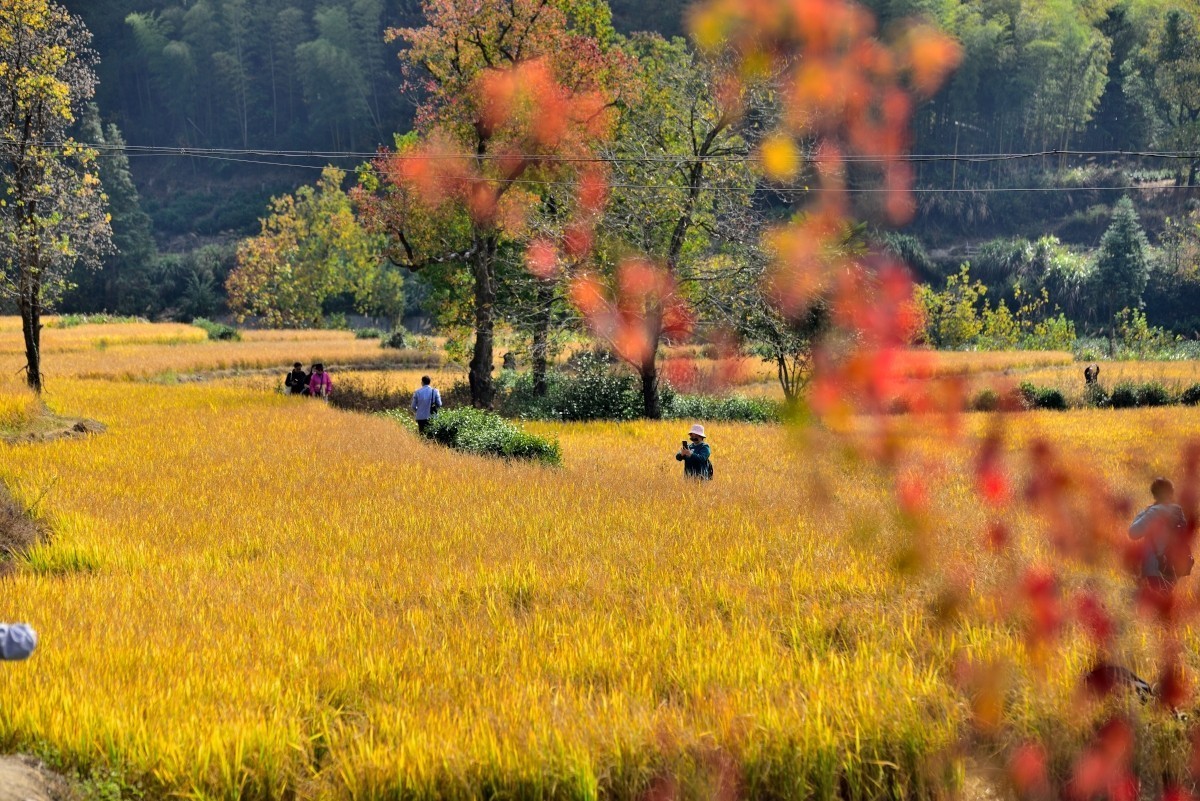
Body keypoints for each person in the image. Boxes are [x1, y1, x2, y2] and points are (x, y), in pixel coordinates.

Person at [1129, 477, 1191, 590]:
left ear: (1154, 494)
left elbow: (1133, 533)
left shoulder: (1153, 512)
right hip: (1174, 566)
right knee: (1167, 599)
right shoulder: (1178, 512)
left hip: (1155, 567)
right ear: (1171, 493)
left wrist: (1144, 512)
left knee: (1157, 601)